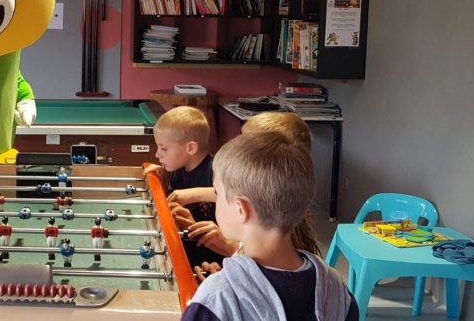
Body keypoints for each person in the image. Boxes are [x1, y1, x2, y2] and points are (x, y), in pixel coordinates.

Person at [182, 132, 358, 321]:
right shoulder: (336, 287)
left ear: (241, 209)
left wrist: (208, 299)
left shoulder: (216, 297)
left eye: (217, 194)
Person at [144, 107, 238, 267]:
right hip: (187, 250)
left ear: (190, 148)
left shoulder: (217, 169)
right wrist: (161, 174)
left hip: (215, 260)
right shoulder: (177, 169)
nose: (157, 154)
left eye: (164, 148)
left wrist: (193, 194)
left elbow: (238, 195)